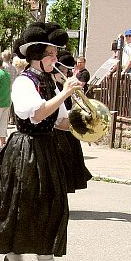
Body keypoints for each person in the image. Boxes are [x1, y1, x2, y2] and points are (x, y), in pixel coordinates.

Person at [0, 22, 83, 261]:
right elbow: (37, 113)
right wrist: (65, 92)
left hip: (47, 147)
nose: (56, 60)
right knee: (22, 204)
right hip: (25, 148)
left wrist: (85, 125)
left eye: (56, 55)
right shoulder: (23, 82)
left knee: (52, 204)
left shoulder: (50, 82)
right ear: (36, 57)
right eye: (51, 55)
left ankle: (44, 258)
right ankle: (15, 255)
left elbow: (61, 121)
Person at [53, 50, 92, 193]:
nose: (65, 74)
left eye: (67, 71)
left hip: (67, 128)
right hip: (56, 130)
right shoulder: (52, 85)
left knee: (69, 162)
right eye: (62, 70)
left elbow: (74, 105)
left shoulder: (66, 84)